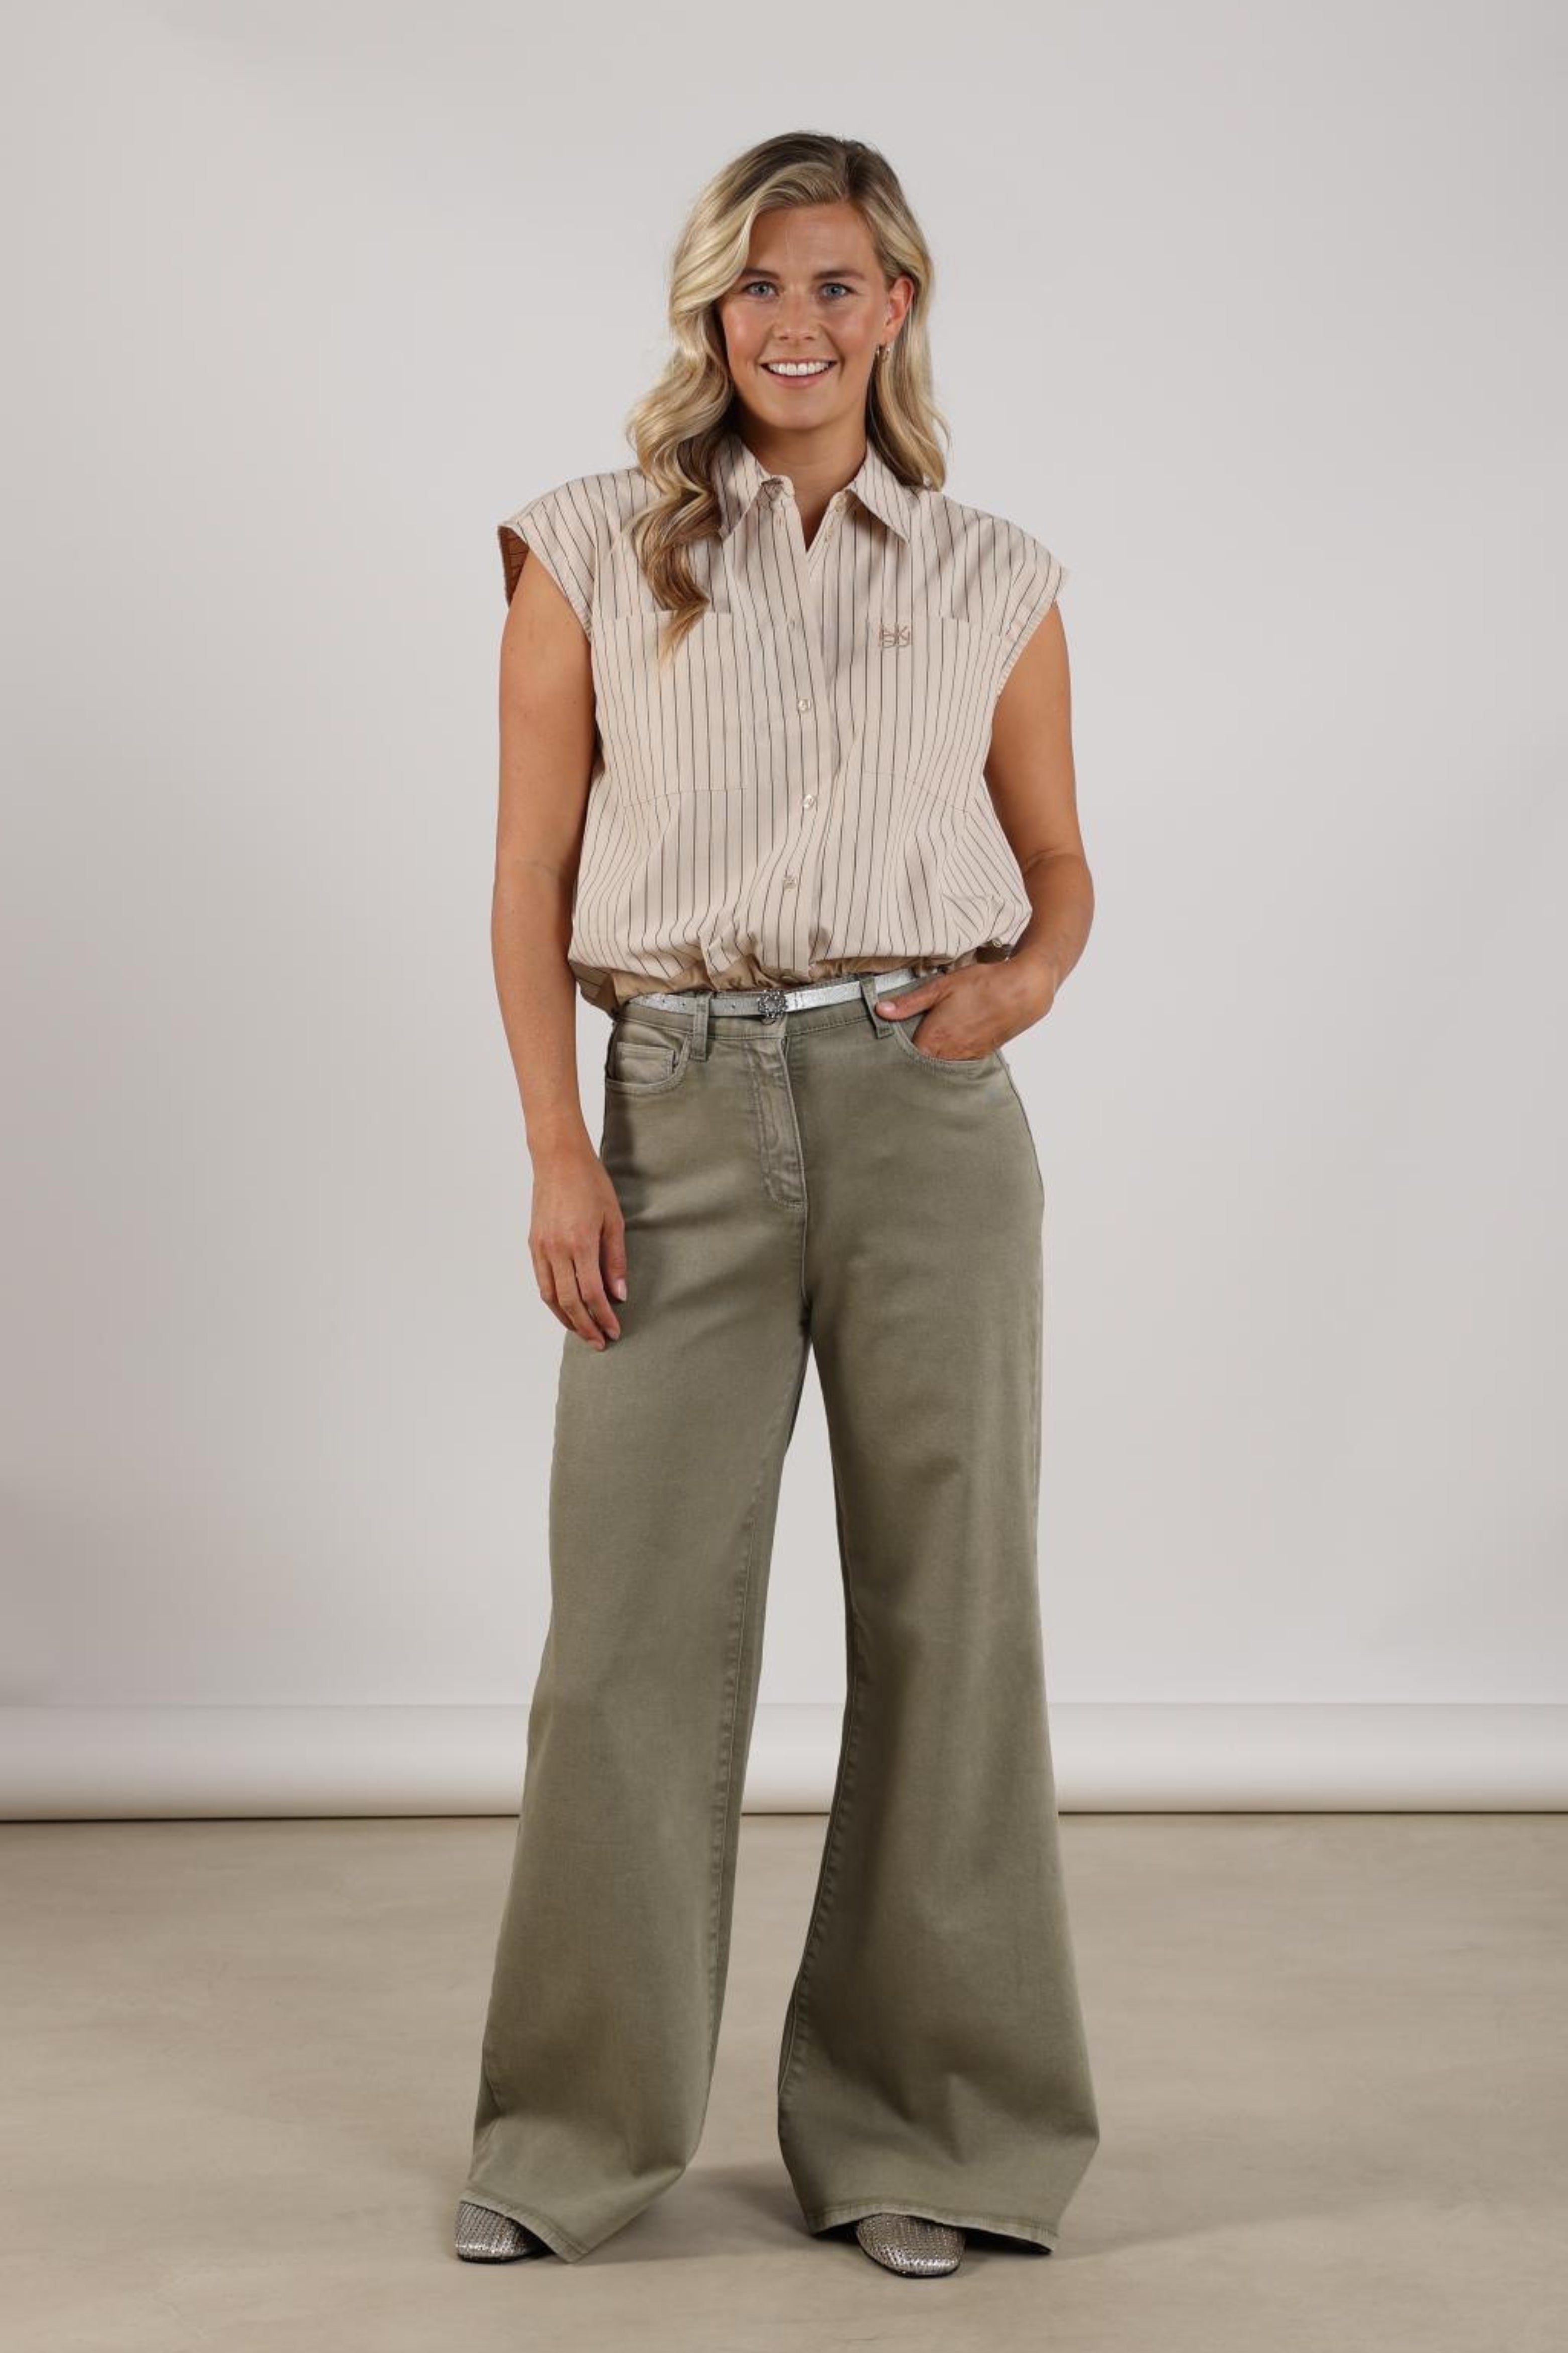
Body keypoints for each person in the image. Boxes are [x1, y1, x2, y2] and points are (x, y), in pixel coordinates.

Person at [454, 129, 1099, 2280]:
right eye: (756, 286)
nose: (792, 324)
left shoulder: (993, 574)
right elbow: (528, 874)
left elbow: (1059, 864)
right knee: (626, 1638)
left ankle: (936, 2134)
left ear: (895, 304)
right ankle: (569, 2137)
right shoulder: (586, 546)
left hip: (927, 1120)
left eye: (833, 284)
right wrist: (558, 1146)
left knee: (951, 1621)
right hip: (674, 1108)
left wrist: (1018, 982)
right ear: (708, 309)